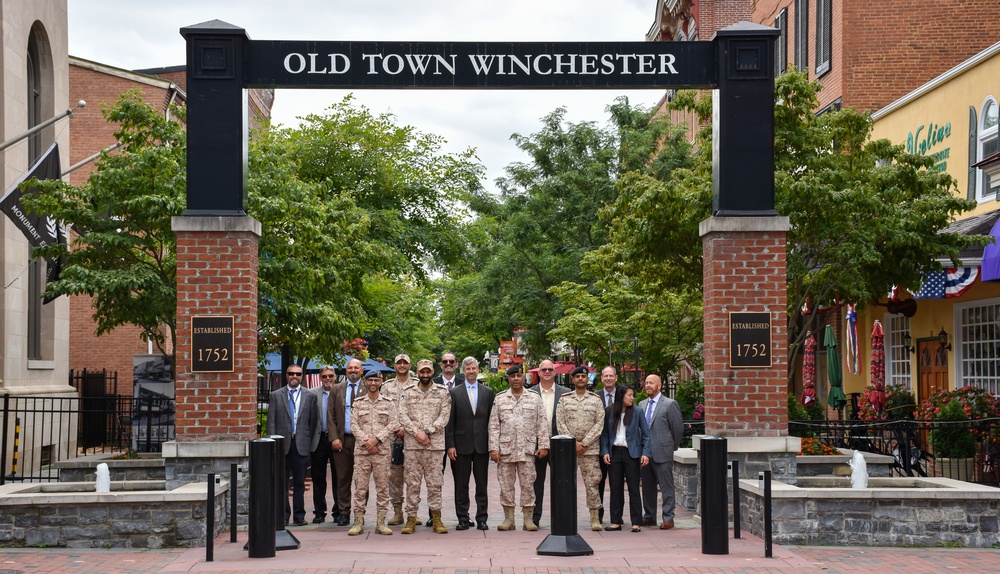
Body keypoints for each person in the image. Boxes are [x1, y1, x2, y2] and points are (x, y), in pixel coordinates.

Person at [488, 365, 549, 531]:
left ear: (524, 378)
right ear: (508, 379)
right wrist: (493, 448)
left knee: (528, 484)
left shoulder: (534, 398)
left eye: (518, 376)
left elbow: (542, 423)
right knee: (506, 485)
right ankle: (509, 519)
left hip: (528, 450)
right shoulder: (500, 399)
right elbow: (494, 425)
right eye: (512, 376)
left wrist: (543, 445)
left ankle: (528, 519)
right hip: (505, 450)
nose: (516, 379)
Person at [397, 359, 452, 534]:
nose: (426, 375)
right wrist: (417, 433)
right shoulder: (407, 392)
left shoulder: (442, 392)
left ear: (432, 371)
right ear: (418, 372)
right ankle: (411, 519)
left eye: (428, 372)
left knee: (435, 483)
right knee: (412, 483)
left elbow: (444, 416)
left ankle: (437, 519)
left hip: (434, 446)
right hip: (413, 446)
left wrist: (427, 431)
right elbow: (402, 415)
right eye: (422, 372)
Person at [445, 356, 495, 530]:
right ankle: (463, 518)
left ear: (478, 370)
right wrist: (450, 445)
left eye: (474, 368)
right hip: (461, 445)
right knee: (461, 484)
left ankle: (482, 518)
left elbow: (492, 421)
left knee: (482, 484)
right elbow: (449, 422)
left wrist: (492, 444)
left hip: (481, 445)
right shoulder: (454, 392)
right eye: (468, 369)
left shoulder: (488, 392)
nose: (471, 371)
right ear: (463, 371)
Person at [267, 365, 319, 526]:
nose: (294, 376)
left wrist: (310, 445)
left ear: (301, 376)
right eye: (291, 373)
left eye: (297, 374)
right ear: (286, 375)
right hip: (282, 445)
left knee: (299, 483)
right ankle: (283, 515)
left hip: (301, 445)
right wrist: (273, 444)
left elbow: (313, 422)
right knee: (281, 483)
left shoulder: (310, 396)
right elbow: (271, 422)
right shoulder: (276, 395)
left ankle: (299, 516)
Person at [555, 365, 605, 531]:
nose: (581, 379)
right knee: (566, 484)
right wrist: (573, 443)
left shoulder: (595, 400)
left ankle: (594, 518)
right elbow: (560, 422)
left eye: (583, 377)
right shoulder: (564, 399)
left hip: (589, 450)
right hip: (568, 451)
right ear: (573, 379)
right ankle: (566, 517)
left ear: (587, 378)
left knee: (592, 484)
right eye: (577, 377)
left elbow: (599, 424)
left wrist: (585, 443)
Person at [347, 369, 397, 536]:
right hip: (362, 453)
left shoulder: (389, 403)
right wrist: (367, 442)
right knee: (360, 488)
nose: (373, 383)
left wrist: (377, 439)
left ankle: (381, 523)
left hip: (381, 452)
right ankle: (358, 522)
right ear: (365, 382)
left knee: (382, 488)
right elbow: (354, 425)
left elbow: (393, 423)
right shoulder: (358, 403)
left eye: (376, 380)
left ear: (381, 382)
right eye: (370, 381)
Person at [600, 386, 650, 532]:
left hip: (632, 454)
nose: (632, 398)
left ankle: (636, 522)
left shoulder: (637, 412)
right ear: (621, 396)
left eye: (632, 395)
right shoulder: (609, 411)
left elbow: (646, 434)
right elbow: (604, 434)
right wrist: (605, 452)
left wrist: (646, 453)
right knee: (615, 488)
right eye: (629, 395)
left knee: (634, 488)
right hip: (614, 453)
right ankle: (616, 521)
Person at [638, 374, 684, 530]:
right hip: (646, 454)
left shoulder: (670, 404)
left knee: (666, 487)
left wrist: (672, 445)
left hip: (662, 452)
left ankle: (668, 517)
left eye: (651, 383)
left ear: (659, 385)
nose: (648, 385)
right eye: (647, 383)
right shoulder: (642, 404)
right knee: (647, 487)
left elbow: (677, 428)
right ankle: (649, 516)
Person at [528, 358, 570, 528]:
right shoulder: (530, 393)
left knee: (562, 483)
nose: (547, 372)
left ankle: (562, 519)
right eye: (543, 369)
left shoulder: (566, 393)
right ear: (538, 373)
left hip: (559, 445)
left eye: (550, 369)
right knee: (536, 484)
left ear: (555, 372)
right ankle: (534, 519)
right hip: (537, 446)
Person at [329, 358, 364, 527]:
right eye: (350, 368)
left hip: (362, 442)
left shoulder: (368, 388)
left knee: (361, 479)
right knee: (342, 479)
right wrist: (334, 437)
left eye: (356, 368)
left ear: (361, 371)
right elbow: (331, 416)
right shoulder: (336, 389)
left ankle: (360, 512)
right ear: (346, 370)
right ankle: (344, 512)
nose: (353, 370)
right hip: (342, 441)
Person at [381, 353, 413, 526]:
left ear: (409, 365)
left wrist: (406, 428)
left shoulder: (416, 385)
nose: (402, 365)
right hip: (392, 440)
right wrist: (396, 428)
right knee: (394, 477)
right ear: (394, 366)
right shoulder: (386, 387)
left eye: (405, 363)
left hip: (413, 439)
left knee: (413, 476)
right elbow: (383, 410)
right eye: (399, 363)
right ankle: (398, 512)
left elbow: (419, 411)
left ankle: (412, 512)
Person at [309, 366, 341, 524]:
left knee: (339, 477)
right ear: (320, 378)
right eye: (324, 376)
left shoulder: (341, 392)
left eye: (330, 376)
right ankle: (319, 512)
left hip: (337, 440)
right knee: (318, 477)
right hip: (319, 439)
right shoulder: (312, 393)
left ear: (335, 377)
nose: (328, 379)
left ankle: (338, 511)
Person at [595, 366, 620, 523]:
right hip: (598, 446)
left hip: (618, 446)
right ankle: (598, 514)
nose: (609, 378)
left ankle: (616, 516)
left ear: (616, 378)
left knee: (617, 484)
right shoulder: (595, 397)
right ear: (602, 379)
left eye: (611, 376)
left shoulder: (624, 396)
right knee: (599, 482)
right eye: (606, 376)